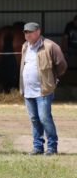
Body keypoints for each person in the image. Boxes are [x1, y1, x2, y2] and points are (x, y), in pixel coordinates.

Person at [19, 22, 67, 155]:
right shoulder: (25, 46)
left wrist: (53, 78)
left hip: (43, 90)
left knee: (44, 118)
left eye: (30, 32)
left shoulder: (50, 46)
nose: (27, 34)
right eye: (25, 32)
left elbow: (62, 64)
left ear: (38, 32)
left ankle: (52, 147)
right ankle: (38, 147)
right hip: (28, 91)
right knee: (34, 119)